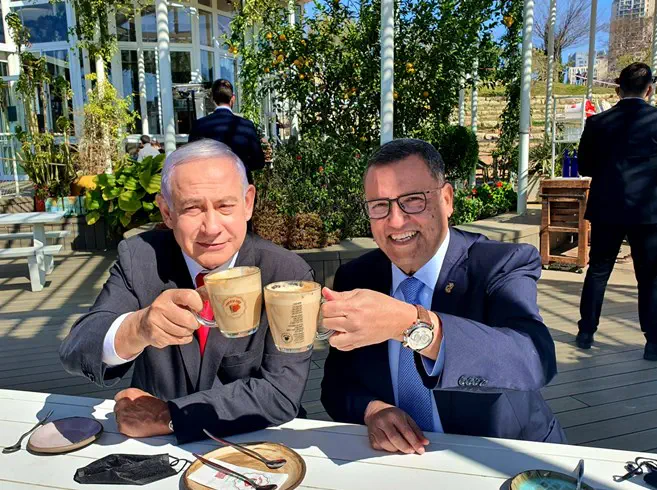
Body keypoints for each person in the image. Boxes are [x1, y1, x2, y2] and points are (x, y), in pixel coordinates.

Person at [59, 139, 314, 444]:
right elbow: (76, 350)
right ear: (167, 212)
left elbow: (281, 392)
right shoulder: (140, 259)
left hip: (258, 442)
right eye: (193, 208)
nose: (211, 227)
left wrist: (172, 416)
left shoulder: (285, 274)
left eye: (225, 206)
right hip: (154, 449)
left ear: (248, 203)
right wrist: (137, 328)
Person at [320, 139, 564, 454]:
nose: (395, 221)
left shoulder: (500, 263)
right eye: (380, 205)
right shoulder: (356, 276)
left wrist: (412, 325)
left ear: (447, 199)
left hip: (508, 456)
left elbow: (534, 359)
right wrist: (372, 409)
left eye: (413, 200)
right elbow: (337, 382)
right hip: (400, 461)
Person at [575, 62, 657, 361]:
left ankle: (586, 332)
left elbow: (584, 166)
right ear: (649, 89)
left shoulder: (598, 123)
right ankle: (653, 342)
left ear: (619, 89)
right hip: (648, 210)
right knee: (649, 276)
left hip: (607, 207)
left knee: (598, 270)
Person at [188, 79, 265, 183]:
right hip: (239, 183)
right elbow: (259, 162)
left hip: (211, 184)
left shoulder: (199, 125)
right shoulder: (246, 126)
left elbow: (192, 160)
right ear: (233, 98)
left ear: (212, 98)